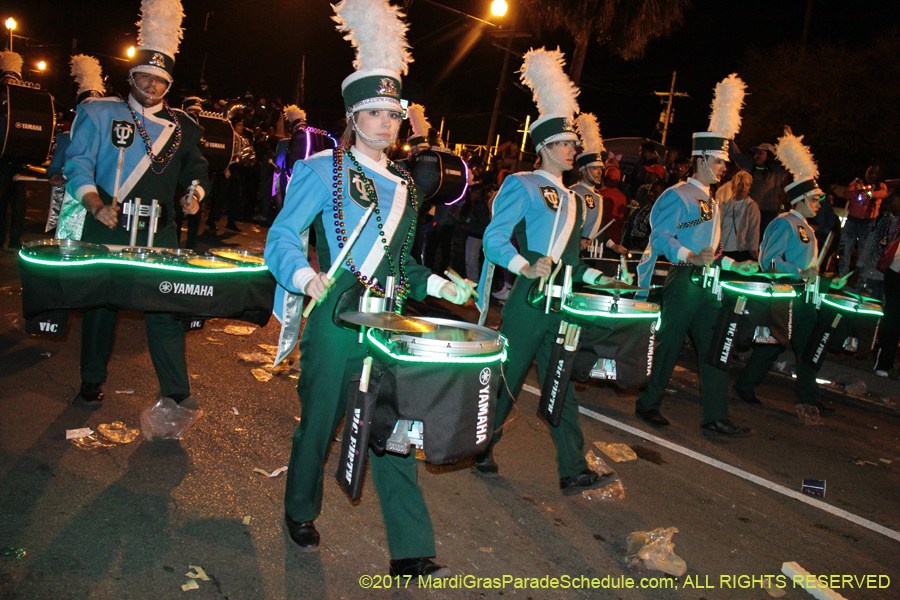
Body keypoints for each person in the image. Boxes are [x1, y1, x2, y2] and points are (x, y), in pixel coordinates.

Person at [264, 0, 471, 581]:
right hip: (337, 317)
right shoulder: (321, 169)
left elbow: (403, 262)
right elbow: (281, 237)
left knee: (395, 429)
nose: (386, 124)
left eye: (393, 115)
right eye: (374, 114)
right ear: (354, 117)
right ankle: (300, 509)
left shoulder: (406, 185)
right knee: (320, 421)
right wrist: (305, 276)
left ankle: (410, 547)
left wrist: (441, 284)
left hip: (390, 322)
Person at [473, 48, 624, 495]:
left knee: (562, 384)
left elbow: (573, 261)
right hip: (529, 300)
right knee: (507, 379)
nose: (573, 149)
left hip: (561, 303)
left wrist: (599, 280)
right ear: (544, 147)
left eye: (574, 144)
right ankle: (480, 445)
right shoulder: (520, 183)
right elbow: (493, 239)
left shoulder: (575, 199)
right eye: (565, 143)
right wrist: (525, 264)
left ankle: (572, 467)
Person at [63, 0, 209, 409]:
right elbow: (77, 164)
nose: (153, 86)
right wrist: (95, 203)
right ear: (132, 76)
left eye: (161, 80)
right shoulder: (98, 112)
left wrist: (193, 195)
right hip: (106, 222)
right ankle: (91, 379)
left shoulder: (184, 128)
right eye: (146, 76)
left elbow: (197, 172)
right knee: (101, 308)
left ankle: (176, 390)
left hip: (159, 230)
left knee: (165, 308)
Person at [634, 74, 757, 436]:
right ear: (701, 159)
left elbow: (712, 251)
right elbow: (661, 238)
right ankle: (648, 402)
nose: (724, 168)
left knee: (716, 347)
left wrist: (735, 264)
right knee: (668, 344)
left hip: (708, 284)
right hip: (684, 280)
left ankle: (715, 415)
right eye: (718, 162)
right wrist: (690, 256)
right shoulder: (678, 194)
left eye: (724, 163)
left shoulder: (712, 201)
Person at [734, 130, 845, 415]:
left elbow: (808, 267)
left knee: (807, 348)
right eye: (815, 200)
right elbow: (768, 260)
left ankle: (807, 396)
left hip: (804, 299)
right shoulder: (783, 222)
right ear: (802, 199)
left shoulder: (808, 228)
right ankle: (745, 384)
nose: (819, 205)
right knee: (773, 345)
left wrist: (827, 280)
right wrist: (799, 272)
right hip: (786, 297)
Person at [839, 164, 888, 277]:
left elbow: (884, 194)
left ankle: (860, 278)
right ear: (866, 172)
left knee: (864, 253)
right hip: (852, 222)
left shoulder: (881, 186)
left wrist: (870, 194)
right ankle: (842, 275)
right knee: (844, 250)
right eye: (871, 172)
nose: (873, 175)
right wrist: (858, 192)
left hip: (868, 224)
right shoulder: (857, 183)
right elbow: (846, 194)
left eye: (876, 173)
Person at [873, 191, 900, 377]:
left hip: (895, 271)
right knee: (893, 318)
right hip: (896, 272)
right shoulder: (890, 220)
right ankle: (883, 363)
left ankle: (885, 363)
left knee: (894, 318)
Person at [572, 112, 605, 248]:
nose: (600, 172)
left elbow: (599, 229)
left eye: (600, 168)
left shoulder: (598, 195)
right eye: (595, 168)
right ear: (584, 171)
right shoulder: (573, 192)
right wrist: (576, 241)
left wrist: (612, 245)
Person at [717, 170, 760, 262]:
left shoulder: (751, 206)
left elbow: (754, 228)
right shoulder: (726, 204)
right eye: (740, 184)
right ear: (734, 185)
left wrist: (754, 248)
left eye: (746, 184)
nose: (743, 187)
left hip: (739, 250)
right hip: (722, 249)